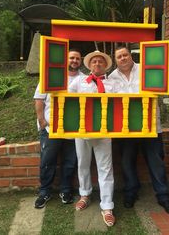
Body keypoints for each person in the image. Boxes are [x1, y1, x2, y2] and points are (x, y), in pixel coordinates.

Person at [109, 45, 169, 215]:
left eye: (125, 55)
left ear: (130, 56)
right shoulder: (111, 77)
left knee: (156, 163)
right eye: (119, 57)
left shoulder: (147, 70)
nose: (123, 58)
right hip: (126, 129)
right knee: (127, 162)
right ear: (116, 60)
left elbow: (161, 88)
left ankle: (163, 197)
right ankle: (131, 193)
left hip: (150, 127)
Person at [69, 50, 115, 227]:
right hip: (82, 131)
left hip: (104, 133)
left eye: (100, 61)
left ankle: (107, 206)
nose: (97, 63)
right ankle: (85, 194)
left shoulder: (112, 84)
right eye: (94, 61)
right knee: (83, 164)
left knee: (106, 168)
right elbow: (68, 101)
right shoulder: (79, 81)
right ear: (89, 65)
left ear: (105, 65)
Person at [34, 49, 84, 209]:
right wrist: (42, 120)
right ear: (65, 60)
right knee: (48, 161)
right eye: (71, 58)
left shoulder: (84, 79)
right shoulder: (51, 75)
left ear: (80, 61)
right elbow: (39, 99)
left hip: (73, 129)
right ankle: (44, 192)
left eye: (77, 58)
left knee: (70, 162)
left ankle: (66, 190)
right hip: (50, 128)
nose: (74, 60)